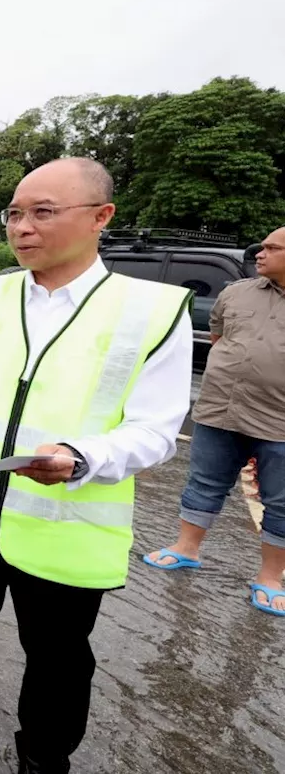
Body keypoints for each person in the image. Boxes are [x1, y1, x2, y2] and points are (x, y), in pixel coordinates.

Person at [0, 157, 193, 774]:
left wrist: (82, 458)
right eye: (14, 214)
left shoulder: (150, 311)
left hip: (63, 529)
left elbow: (156, 431)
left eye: (42, 212)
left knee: (58, 656)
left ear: (101, 218)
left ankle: (44, 754)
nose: (22, 227)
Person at [143, 226, 286, 617]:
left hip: (281, 423)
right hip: (220, 411)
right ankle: (185, 549)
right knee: (203, 484)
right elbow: (220, 339)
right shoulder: (236, 292)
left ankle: (271, 579)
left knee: (281, 502)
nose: (259, 252)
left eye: (272, 248)